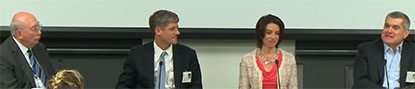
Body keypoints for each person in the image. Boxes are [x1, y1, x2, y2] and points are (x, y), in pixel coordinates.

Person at [116, 10, 203, 89]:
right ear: (158, 31)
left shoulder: (188, 55)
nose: (177, 32)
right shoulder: (137, 54)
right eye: (172, 29)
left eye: (177, 28)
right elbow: (124, 85)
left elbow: (196, 86)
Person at [353, 11, 415, 89]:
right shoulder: (367, 50)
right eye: (387, 26)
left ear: (405, 33)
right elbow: (361, 82)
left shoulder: (412, 51)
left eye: (395, 28)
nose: (389, 31)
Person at [239, 14, 298, 89]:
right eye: (269, 33)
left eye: (277, 33)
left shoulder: (289, 59)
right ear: (261, 34)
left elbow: (293, 87)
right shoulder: (247, 60)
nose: (273, 37)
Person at [0, 12, 56, 88]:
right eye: (34, 29)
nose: (39, 32)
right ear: (19, 34)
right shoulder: (4, 56)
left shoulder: (40, 48)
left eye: (39, 26)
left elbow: (52, 77)